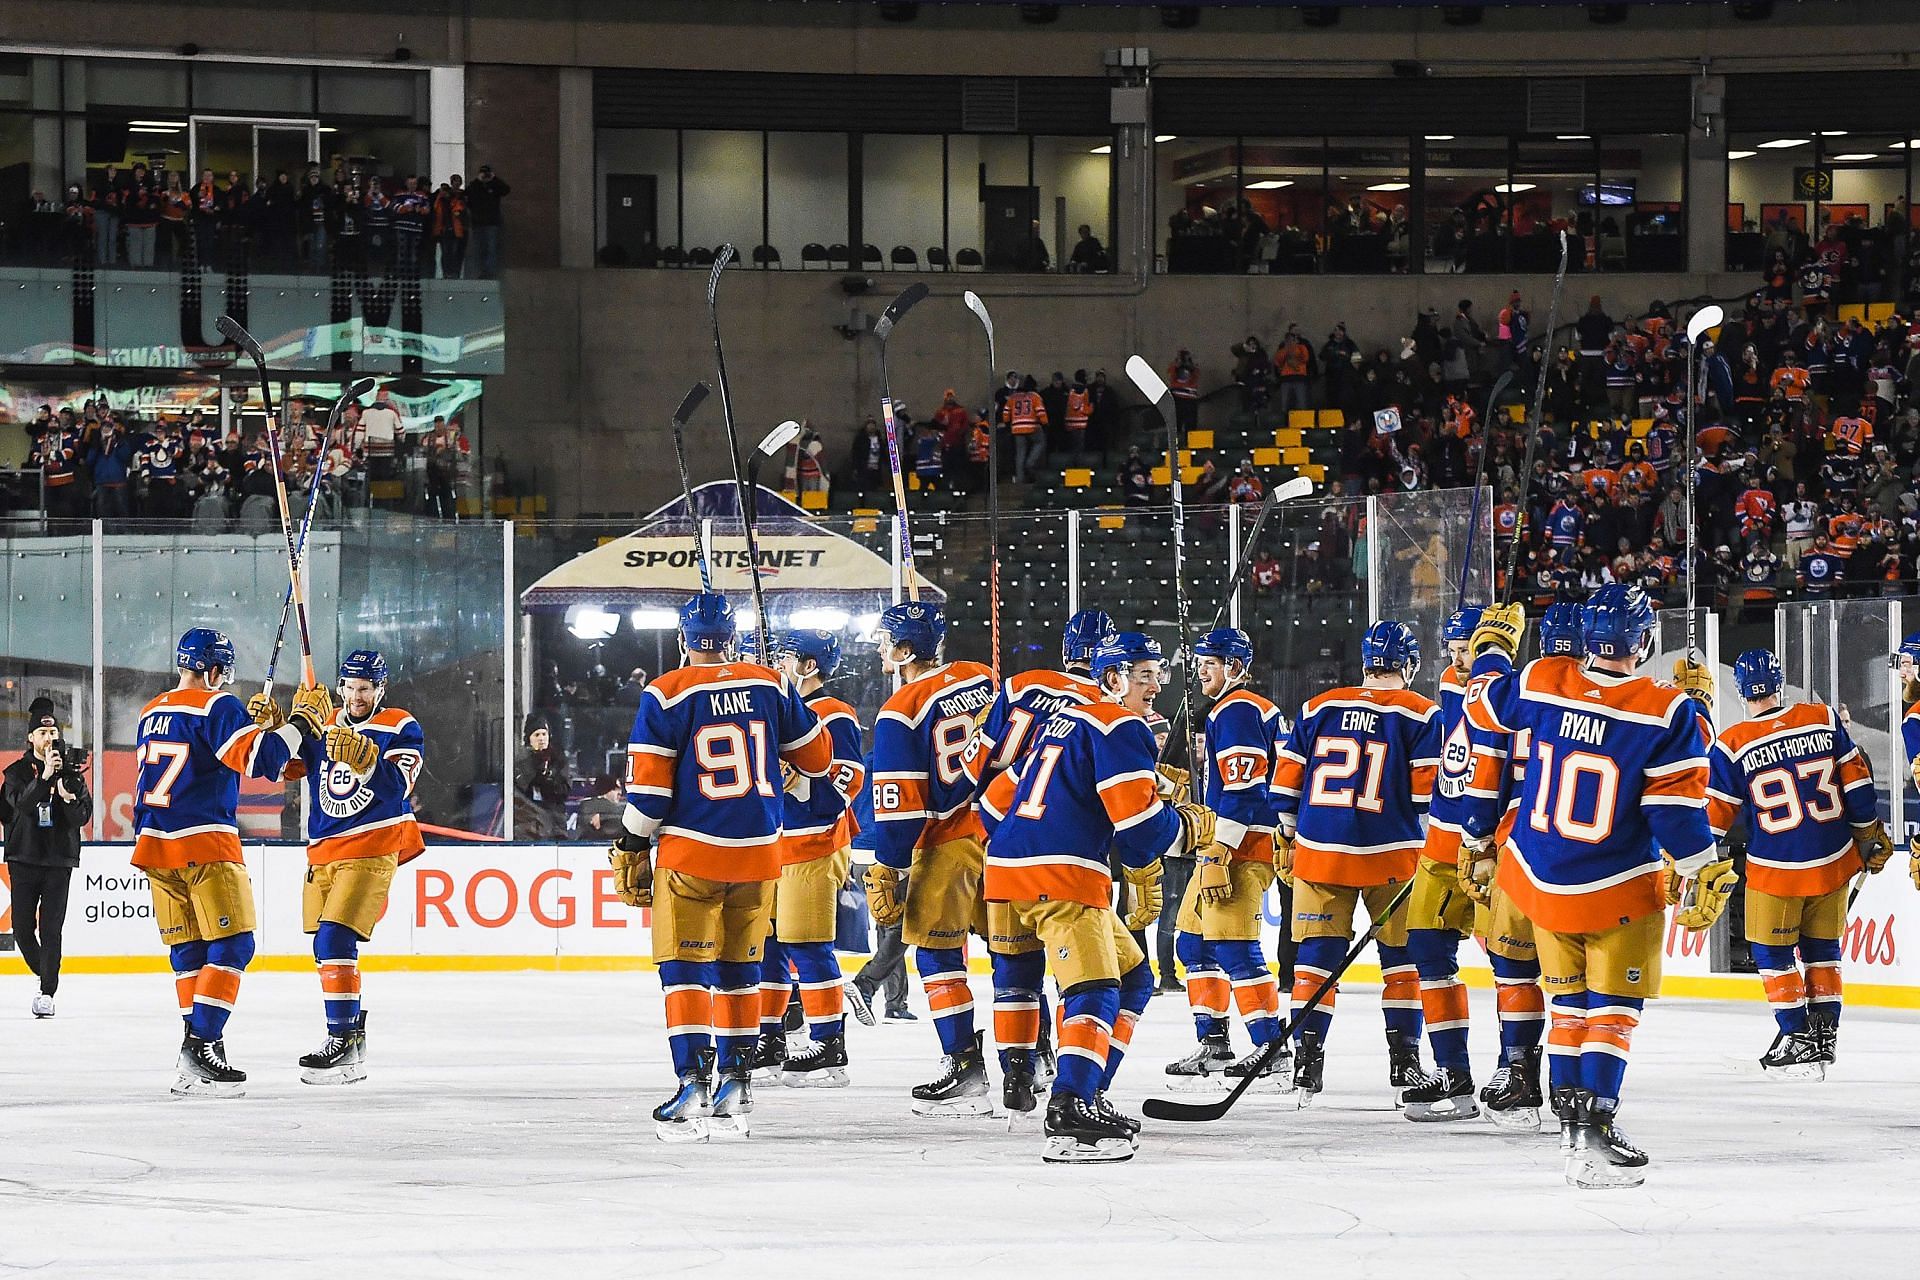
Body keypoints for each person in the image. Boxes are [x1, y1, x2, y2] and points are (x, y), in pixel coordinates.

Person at [1459, 589, 1727, 1189]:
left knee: (1568, 1007)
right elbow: (1675, 812)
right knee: (1612, 1011)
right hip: (1615, 887)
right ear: (1646, 643)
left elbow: (1482, 705)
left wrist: (1493, 646)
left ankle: (1569, 1130)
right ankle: (1596, 1130)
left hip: (1540, 879)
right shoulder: (1669, 711)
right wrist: (1700, 867)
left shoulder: (1542, 678)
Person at [607, 592, 831, 1142]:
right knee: (740, 969)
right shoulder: (771, 683)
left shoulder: (664, 693)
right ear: (732, 639)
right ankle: (735, 1083)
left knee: (684, 968)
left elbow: (651, 798)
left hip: (693, 854)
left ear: (683, 641)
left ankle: (692, 1083)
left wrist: (629, 843)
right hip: (760, 854)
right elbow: (819, 761)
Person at [979, 631, 1208, 1162]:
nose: (1155, 686)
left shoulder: (1064, 718)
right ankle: (1070, 1107)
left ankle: (1085, 1085)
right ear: (1111, 678)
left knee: (1133, 975)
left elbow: (995, 798)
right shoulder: (1120, 724)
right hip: (1061, 874)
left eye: (1159, 674)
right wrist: (1189, 824)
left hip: (1007, 865)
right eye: (1143, 675)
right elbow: (1140, 833)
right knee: (1095, 988)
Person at [133, 628, 326, 1095]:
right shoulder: (219, 706)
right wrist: (302, 721)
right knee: (235, 944)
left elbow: (242, 757)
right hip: (204, 843)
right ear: (217, 670)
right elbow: (261, 761)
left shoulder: (151, 710)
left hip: (155, 845)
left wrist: (258, 730)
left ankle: (194, 1049)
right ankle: (202, 1046)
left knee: (190, 951)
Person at [864, 601, 1036, 1116]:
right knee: (1015, 947)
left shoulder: (899, 711)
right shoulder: (981, 675)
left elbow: (901, 806)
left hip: (945, 838)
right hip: (1002, 829)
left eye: (886, 640)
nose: (878, 648)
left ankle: (965, 1067)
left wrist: (889, 865)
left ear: (906, 649)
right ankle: (1031, 1061)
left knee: (939, 956)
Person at [1272, 619, 1438, 1108]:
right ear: (1409, 665)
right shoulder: (1421, 713)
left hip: (1320, 854)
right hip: (1393, 856)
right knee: (1403, 964)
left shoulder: (1316, 707)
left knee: (1314, 964)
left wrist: (1290, 832)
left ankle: (1307, 1061)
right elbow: (1428, 798)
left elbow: (1284, 793)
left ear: (1365, 663)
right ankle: (1405, 1062)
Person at [1707, 649, 1890, 1078]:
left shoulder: (1733, 743)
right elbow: (1859, 783)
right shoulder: (1823, 718)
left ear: (1741, 690)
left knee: (1771, 953)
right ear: (1778, 681)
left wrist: (1692, 861)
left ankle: (1796, 1034)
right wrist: (1867, 835)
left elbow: (1715, 814)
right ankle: (1825, 1035)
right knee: (1823, 951)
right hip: (1834, 860)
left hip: (1778, 868)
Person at [957, 608, 1114, 1104]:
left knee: (1012, 966)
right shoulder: (1102, 708)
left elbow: (980, 760)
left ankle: (1017, 1074)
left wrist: (991, 824)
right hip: (1068, 855)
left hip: (1002, 837)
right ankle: (1078, 1087)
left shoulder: (1022, 685)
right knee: (1090, 977)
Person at [250, 650, 424, 1085]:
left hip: (372, 844)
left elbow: (398, 789)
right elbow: (287, 769)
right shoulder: (327, 722)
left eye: (364, 688)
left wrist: (366, 764)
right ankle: (353, 1037)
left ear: (380, 688)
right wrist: (276, 729)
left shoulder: (400, 725)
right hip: (323, 849)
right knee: (326, 947)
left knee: (335, 938)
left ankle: (342, 1039)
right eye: (348, 687)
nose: (354, 696)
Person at [1165, 628, 1291, 1091]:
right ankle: (1215, 1043)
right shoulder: (1233, 709)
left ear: (1235, 667)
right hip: (1227, 843)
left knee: (1235, 945)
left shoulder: (1237, 709)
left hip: (1242, 847)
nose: (1202, 671)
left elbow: (1244, 788)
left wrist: (1220, 849)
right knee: (1193, 944)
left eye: (1212, 664)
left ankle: (1271, 1048)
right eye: (1200, 663)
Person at [1398, 606, 1496, 1121]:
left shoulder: (1511, 692)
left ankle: (1517, 1072)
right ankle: (1454, 1076)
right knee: (1428, 951)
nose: (1460, 661)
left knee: (1513, 964)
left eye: (1470, 652)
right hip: (1439, 848)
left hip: (1492, 852)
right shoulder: (1448, 689)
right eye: (1455, 651)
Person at [757, 629, 866, 1087]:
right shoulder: (774, 713)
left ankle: (828, 1044)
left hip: (815, 846)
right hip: (772, 847)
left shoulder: (833, 714)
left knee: (807, 945)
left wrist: (798, 780)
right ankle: (770, 1037)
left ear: (809, 666)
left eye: (785, 657)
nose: (777, 663)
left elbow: (847, 783)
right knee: (768, 947)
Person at [0, 698, 92, 1017]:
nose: (47, 738)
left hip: (58, 860)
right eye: (41, 732)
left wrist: (66, 796)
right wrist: (44, 779)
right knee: (22, 928)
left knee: (51, 928)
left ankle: (47, 992)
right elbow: (21, 807)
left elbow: (82, 816)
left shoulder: (71, 774)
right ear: (31, 737)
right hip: (23, 858)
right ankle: (46, 971)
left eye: (52, 732)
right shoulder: (15, 774)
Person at [466, 164, 510, 276]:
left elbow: (506, 190)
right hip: (478, 223)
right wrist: (478, 180)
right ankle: (479, 271)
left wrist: (494, 179)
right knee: (479, 249)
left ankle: (490, 272)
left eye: (487, 173)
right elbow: (468, 194)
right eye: (483, 173)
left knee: (491, 248)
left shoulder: (494, 186)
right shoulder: (475, 186)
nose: (485, 176)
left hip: (492, 222)